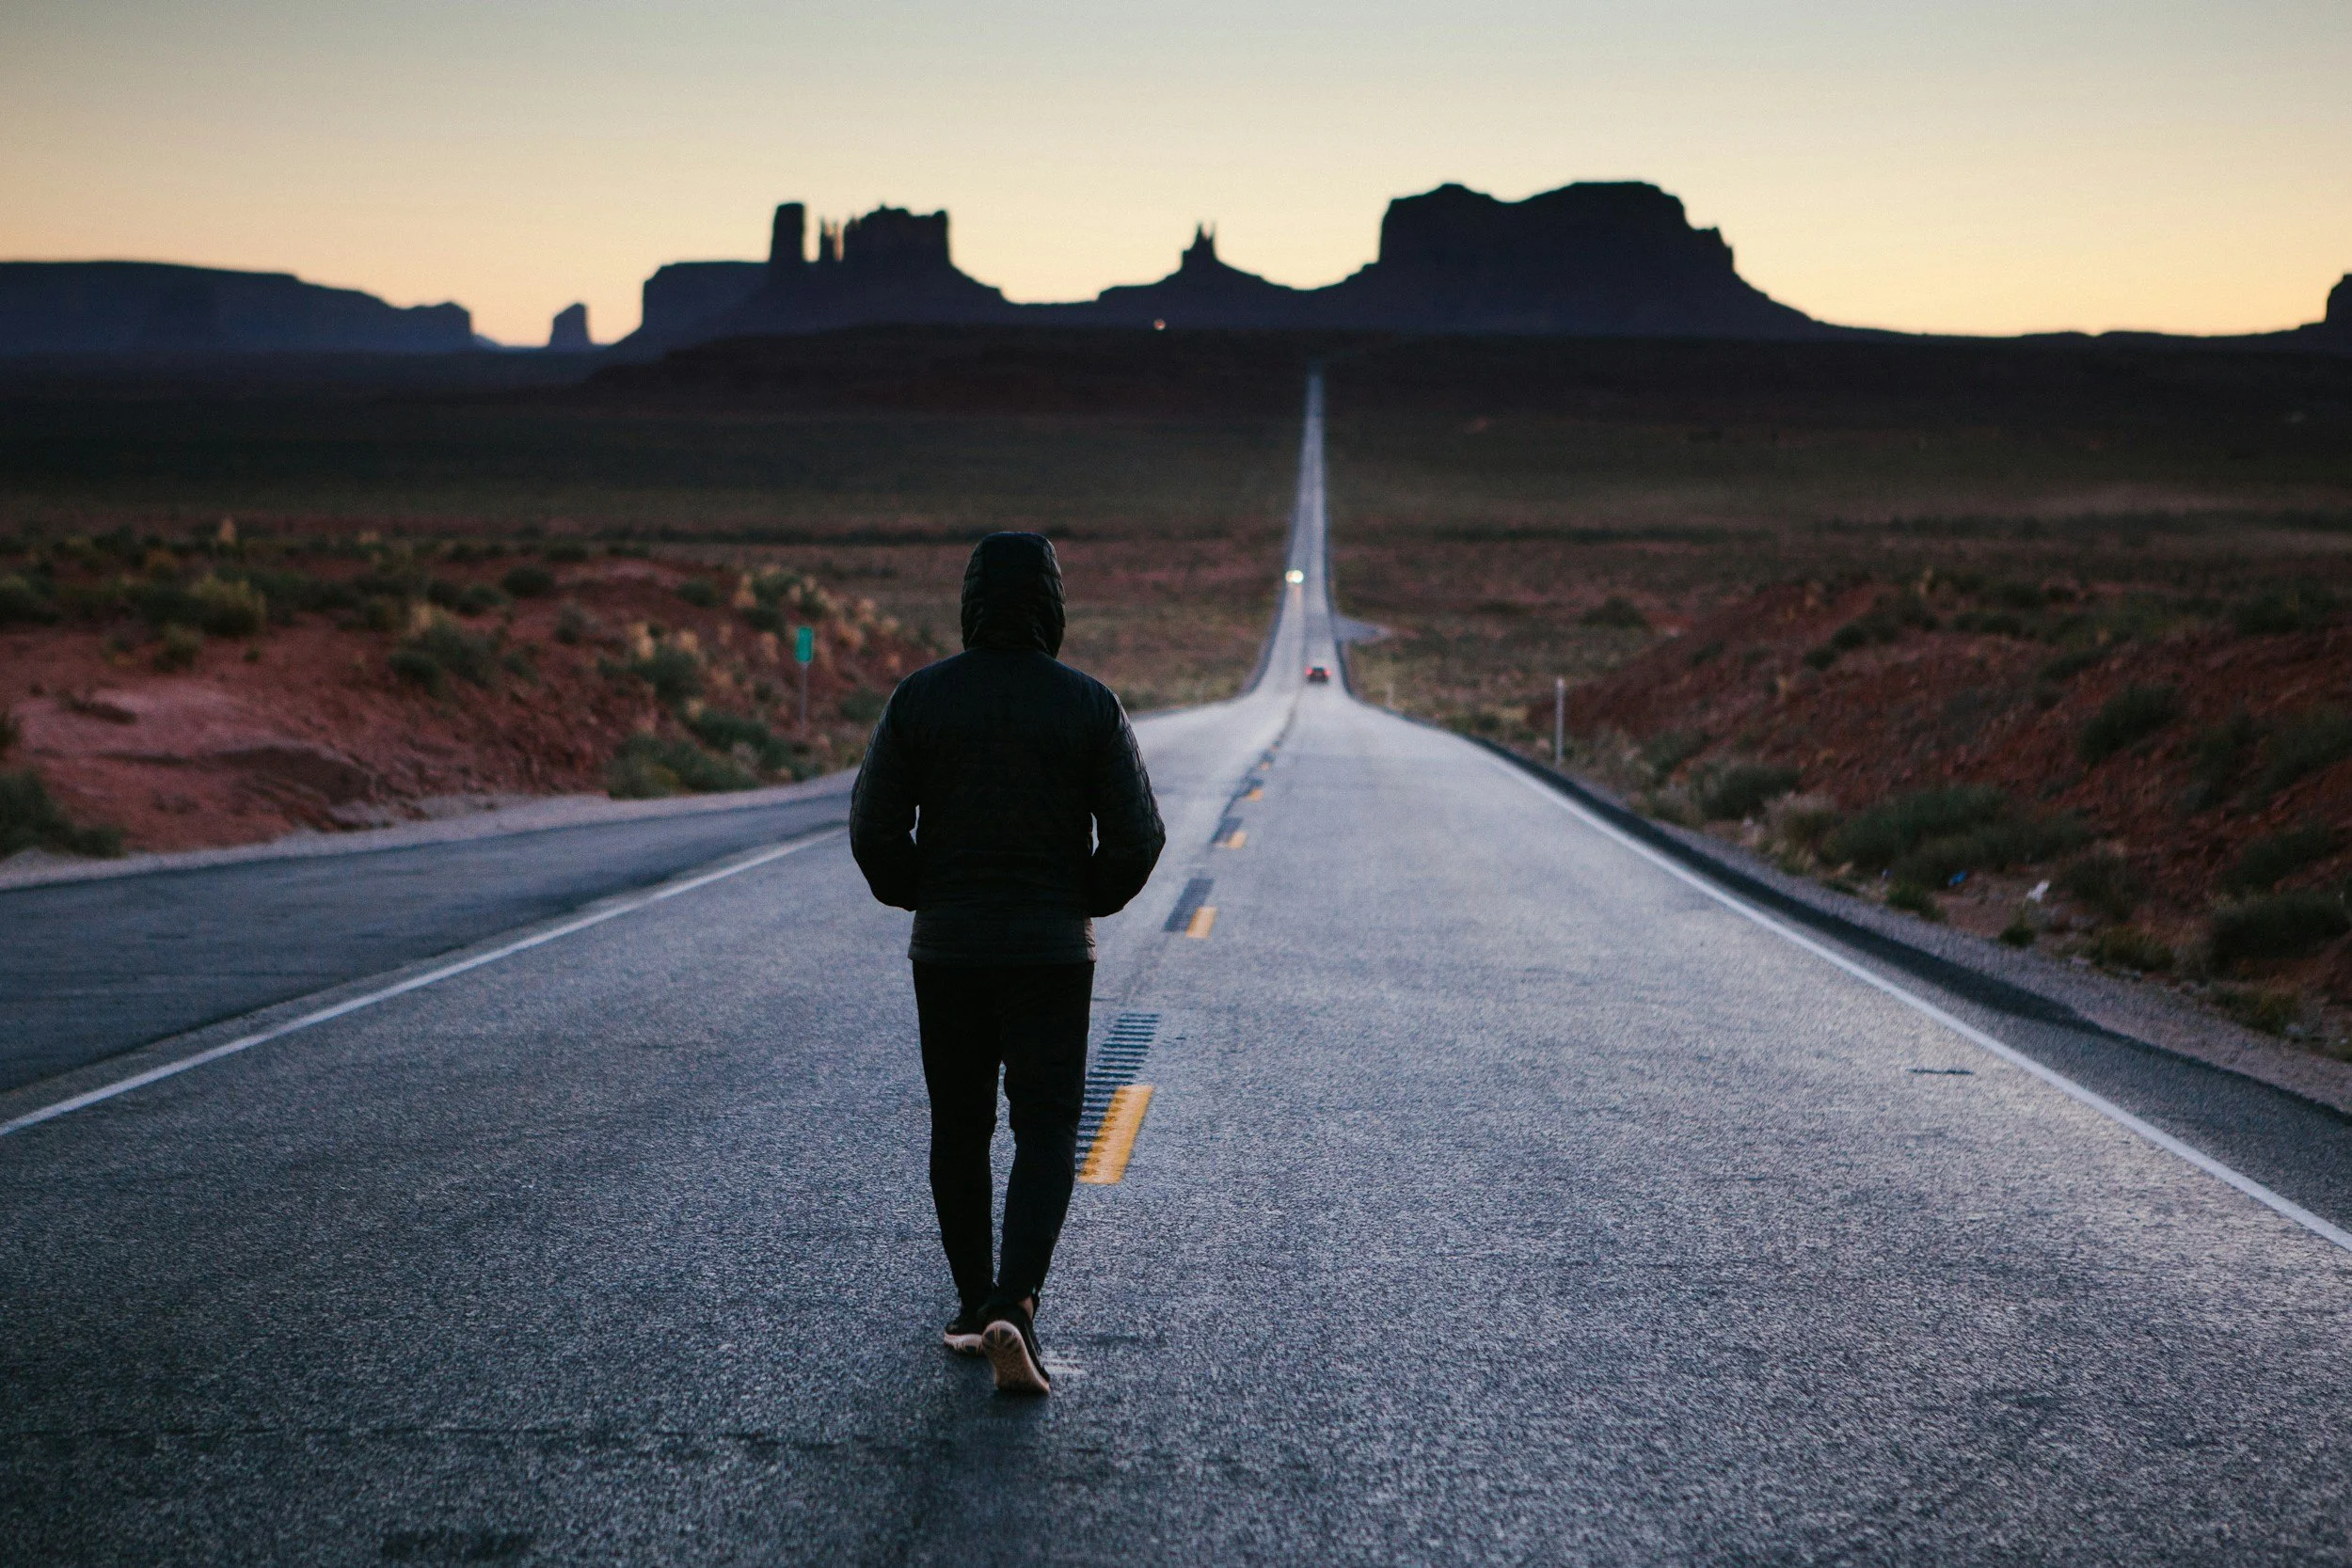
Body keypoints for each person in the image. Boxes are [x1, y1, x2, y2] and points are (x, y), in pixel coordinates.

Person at [850, 532, 1166, 1396]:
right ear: (1052, 604)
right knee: (1048, 1126)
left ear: (972, 600)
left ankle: (968, 1305)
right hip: (1051, 954)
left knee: (959, 1127)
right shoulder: (1088, 704)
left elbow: (873, 829)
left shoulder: (920, 698)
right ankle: (1015, 1304)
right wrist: (1082, 901)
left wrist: (926, 893)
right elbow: (1140, 835)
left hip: (947, 949)